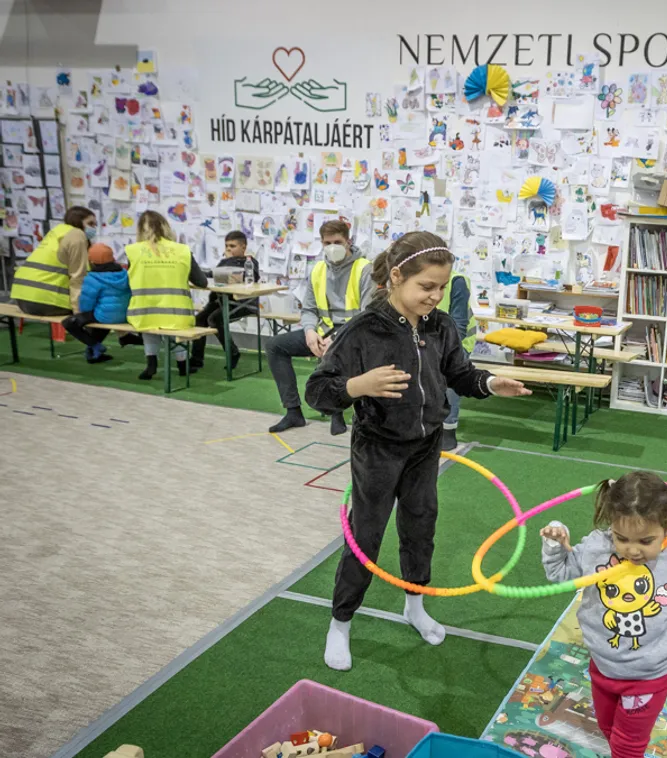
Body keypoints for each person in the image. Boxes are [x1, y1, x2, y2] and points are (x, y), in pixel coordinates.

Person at [304, 231, 532, 671]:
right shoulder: (363, 330)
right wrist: (357, 386)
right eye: (426, 286)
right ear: (395, 277)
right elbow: (317, 390)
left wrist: (489, 383)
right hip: (378, 449)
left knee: (421, 526)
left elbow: (460, 374)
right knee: (365, 536)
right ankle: (341, 621)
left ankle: (415, 605)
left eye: (441, 287)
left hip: (426, 446)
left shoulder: (441, 326)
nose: (435, 296)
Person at [540, 472, 667, 758]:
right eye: (622, 538)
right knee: (608, 729)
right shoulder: (597, 546)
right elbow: (561, 574)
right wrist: (555, 543)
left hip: (648, 675)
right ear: (612, 525)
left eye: (646, 541)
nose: (633, 550)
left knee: (627, 745)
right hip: (603, 665)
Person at [268, 219, 374, 435]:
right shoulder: (317, 270)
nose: (332, 247)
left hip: (353, 335)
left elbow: (367, 315)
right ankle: (293, 411)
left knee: (332, 354)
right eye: (327, 242)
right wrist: (309, 332)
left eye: (337, 241)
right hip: (322, 333)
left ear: (348, 241)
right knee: (275, 346)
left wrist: (337, 339)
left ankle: (337, 413)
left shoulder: (364, 268)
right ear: (321, 243)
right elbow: (308, 309)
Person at [125, 211, 208, 380]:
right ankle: (182, 365)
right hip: (177, 312)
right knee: (176, 330)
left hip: (143, 311)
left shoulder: (133, 251)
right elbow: (202, 282)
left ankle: (151, 363)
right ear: (166, 227)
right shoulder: (182, 250)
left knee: (150, 326)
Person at [190, 230, 260, 370]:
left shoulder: (250, 262)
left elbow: (242, 276)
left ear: (243, 247)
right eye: (227, 246)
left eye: (232, 246)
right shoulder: (225, 261)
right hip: (222, 302)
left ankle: (233, 352)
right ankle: (197, 359)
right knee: (200, 319)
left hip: (243, 303)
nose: (228, 249)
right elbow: (214, 275)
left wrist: (228, 260)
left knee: (215, 319)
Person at [10, 207, 97, 316]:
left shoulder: (57, 232)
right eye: (90, 224)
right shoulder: (77, 236)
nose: (93, 228)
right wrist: (78, 313)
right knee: (98, 310)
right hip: (45, 301)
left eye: (95, 225)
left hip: (21, 298)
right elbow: (78, 277)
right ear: (77, 221)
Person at [61, 243, 129, 363]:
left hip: (105, 316)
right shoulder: (124, 273)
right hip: (125, 315)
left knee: (69, 323)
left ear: (91, 261)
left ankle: (95, 346)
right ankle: (93, 354)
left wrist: (83, 313)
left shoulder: (92, 278)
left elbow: (86, 304)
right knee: (101, 317)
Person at [435, 263, 477, 451]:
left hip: (458, 343)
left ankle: (448, 428)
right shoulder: (414, 277)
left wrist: (448, 353)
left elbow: (459, 323)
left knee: (450, 377)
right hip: (429, 341)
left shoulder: (456, 281)